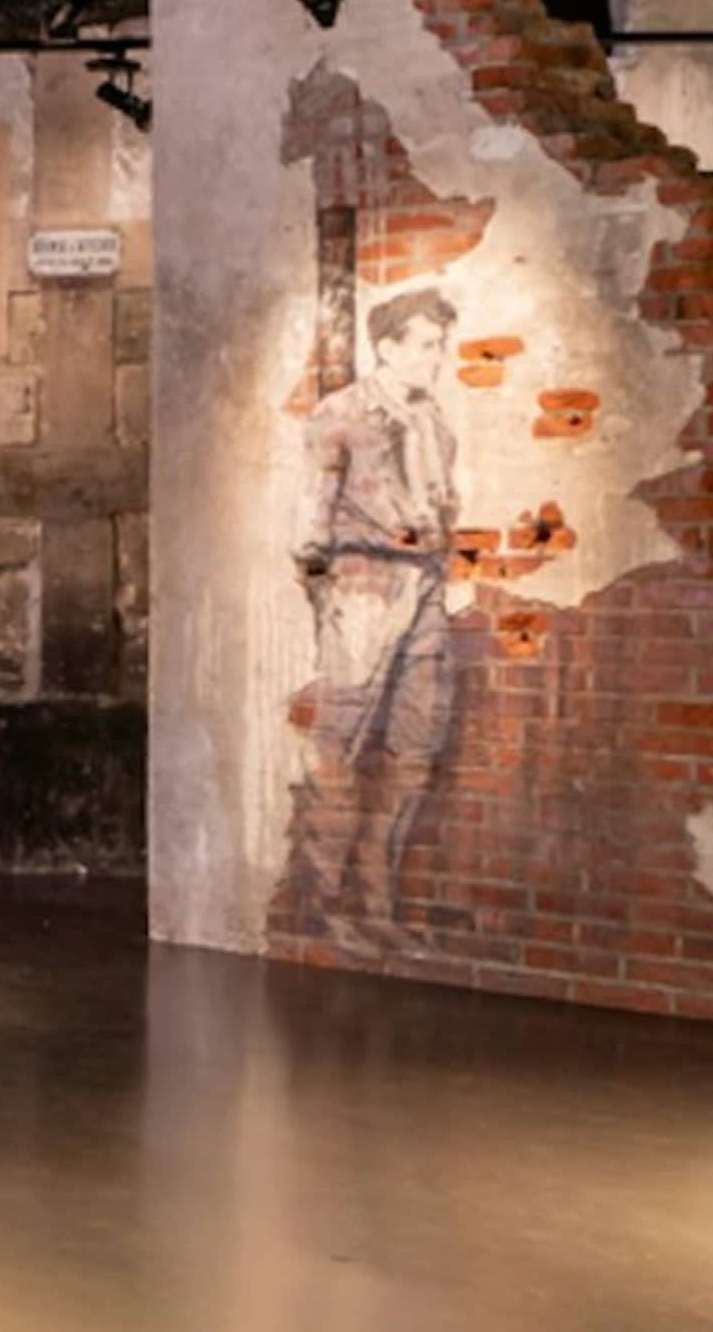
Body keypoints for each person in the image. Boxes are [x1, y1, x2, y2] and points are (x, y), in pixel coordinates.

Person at [287, 286, 459, 942]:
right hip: (364, 583)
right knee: (341, 745)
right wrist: (333, 593)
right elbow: (310, 521)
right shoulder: (342, 414)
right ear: (387, 347)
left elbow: (441, 501)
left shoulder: (433, 419)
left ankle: (378, 904)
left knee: (415, 748)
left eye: (442, 345)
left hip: (426, 586)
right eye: (426, 344)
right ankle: (329, 907)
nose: (437, 357)